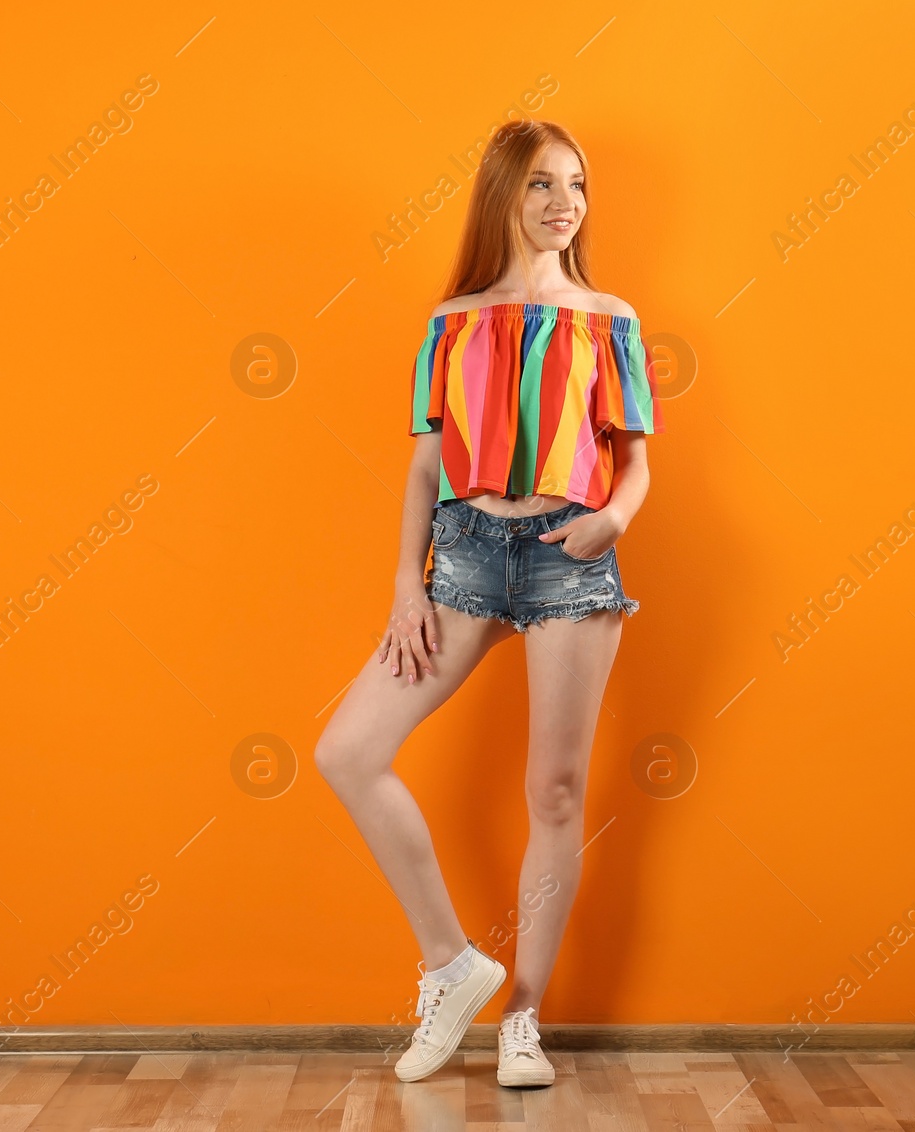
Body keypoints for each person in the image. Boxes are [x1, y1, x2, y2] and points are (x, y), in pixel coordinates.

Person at [313, 117, 663, 1087]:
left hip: (568, 560)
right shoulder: (451, 320)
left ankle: (523, 1021)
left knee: (552, 793)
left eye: (578, 187)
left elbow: (634, 459)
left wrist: (613, 519)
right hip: (464, 555)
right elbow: (426, 462)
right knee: (347, 750)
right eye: (543, 186)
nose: (564, 206)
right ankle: (451, 964)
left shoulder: (609, 316)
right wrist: (403, 585)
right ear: (502, 195)